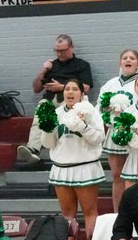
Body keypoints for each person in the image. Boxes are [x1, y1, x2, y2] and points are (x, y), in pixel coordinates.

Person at [38, 77, 104, 240]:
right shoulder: (57, 113)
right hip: (62, 169)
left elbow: (98, 138)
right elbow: (48, 144)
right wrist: (46, 128)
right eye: (67, 89)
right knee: (67, 215)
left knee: (89, 212)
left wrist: (83, 127)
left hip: (85, 167)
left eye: (75, 89)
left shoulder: (91, 112)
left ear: (82, 94)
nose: (70, 92)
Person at [17, 34, 93, 167]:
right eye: (56, 50)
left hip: (69, 101)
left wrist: (62, 87)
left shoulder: (82, 65)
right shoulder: (52, 65)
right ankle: (33, 149)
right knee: (42, 109)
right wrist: (44, 70)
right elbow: (36, 88)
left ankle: (61, 146)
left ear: (71, 48)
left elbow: (86, 87)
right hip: (50, 99)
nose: (59, 54)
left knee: (66, 111)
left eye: (62, 50)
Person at [99, 49, 138, 209]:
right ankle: (118, 215)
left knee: (134, 175)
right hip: (114, 133)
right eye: (125, 58)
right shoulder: (110, 84)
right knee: (117, 176)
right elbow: (99, 107)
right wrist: (108, 109)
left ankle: (136, 213)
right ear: (120, 62)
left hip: (135, 133)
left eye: (132, 58)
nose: (128, 60)